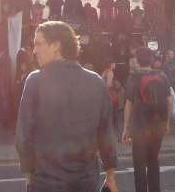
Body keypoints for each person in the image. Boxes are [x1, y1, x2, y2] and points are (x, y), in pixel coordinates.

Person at [16, 21, 118, 192]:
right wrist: (111, 177)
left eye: (38, 44)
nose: (34, 51)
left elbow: (24, 135)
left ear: (56, 45)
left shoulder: (35, 80)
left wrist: (29, 179)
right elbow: (105, 133)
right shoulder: (96, 81)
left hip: (46, 181)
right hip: (86, 181)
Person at [123, 46, 172, 192]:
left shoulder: (133, 78)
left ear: (137, 61)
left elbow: (128, 105)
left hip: (139, 126)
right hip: (158, 125)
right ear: (151, 60)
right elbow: (169, 102)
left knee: (139, 165)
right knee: (153, 160)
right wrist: (167, 123)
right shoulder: (163, 77)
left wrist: (126, 129)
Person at [102, 57, 124, 142]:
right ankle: (121, 136)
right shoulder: (110, 72)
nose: (115, 65)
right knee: (117, 118)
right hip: (112, 97)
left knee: (110, 118)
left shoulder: (104, 72)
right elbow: (109, 84)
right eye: (114, 63)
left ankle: (110, 137)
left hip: (106, 97)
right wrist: (115, 84)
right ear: (111, 64)